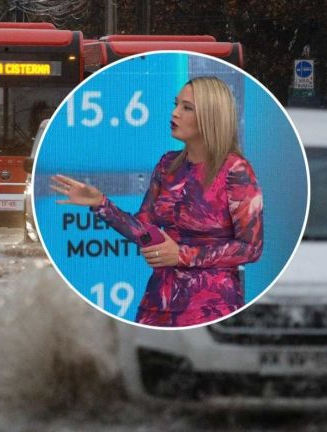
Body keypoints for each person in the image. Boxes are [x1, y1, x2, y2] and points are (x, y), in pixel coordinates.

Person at [51, 76, 263, 327]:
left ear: (211, 116)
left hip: (210, 306)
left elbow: (251, 248)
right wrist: (101, 204)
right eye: (176, 104)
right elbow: (145, 230)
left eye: (187, 108)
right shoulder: (167, 165)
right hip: (158, 301)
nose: (175, 113)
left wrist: (182, 255)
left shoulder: (235, 170)